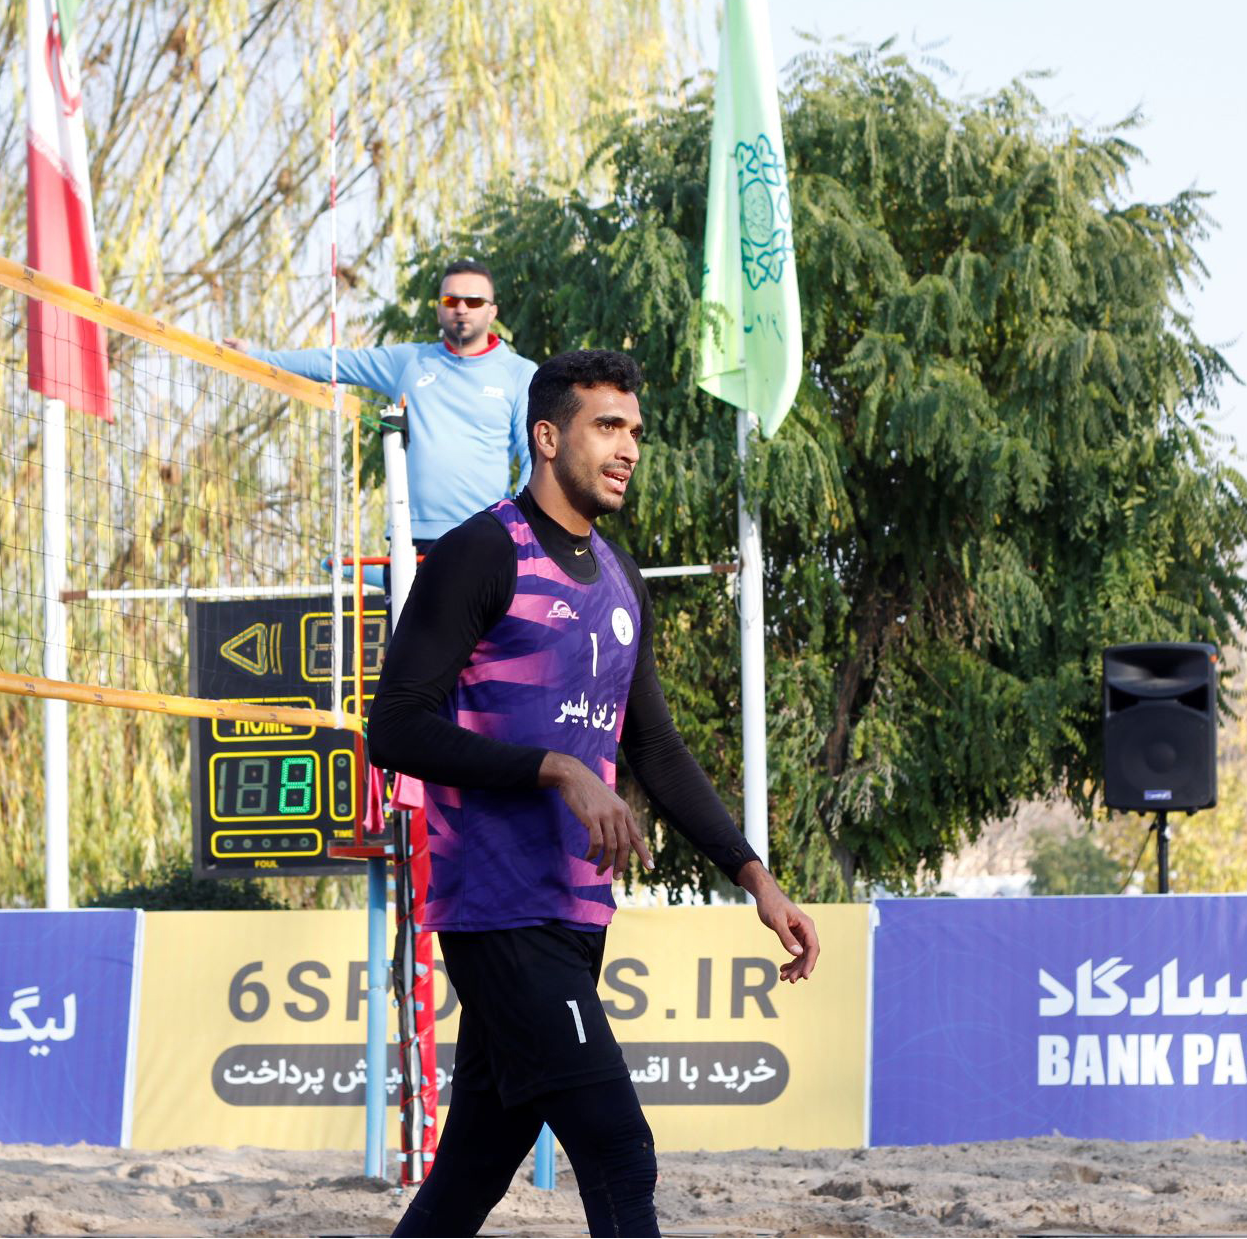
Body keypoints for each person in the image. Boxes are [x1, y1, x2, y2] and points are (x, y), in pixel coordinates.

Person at [367, 349, 820, 1238]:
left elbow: (654, 748)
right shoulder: (480, 551)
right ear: (547, 436)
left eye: (635, 430)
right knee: (618, 1147)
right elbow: (396, 727)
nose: (629, 448)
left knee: (472, 1170)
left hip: (576, 909)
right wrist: (558, 767)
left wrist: (754, 874)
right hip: (498, 909)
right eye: (607, 426)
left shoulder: (620, 577)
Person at [247, 259, 537, 557]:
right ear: (439, 309)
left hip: (487, 535)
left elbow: (534, 458)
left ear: (492, 312)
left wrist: (516, 524)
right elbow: (333, 363)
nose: (461, 308)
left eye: (473, 301)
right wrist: (253, 357)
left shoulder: (519, 373)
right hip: (411, 539)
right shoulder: (409, 362)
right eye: (451, 300)